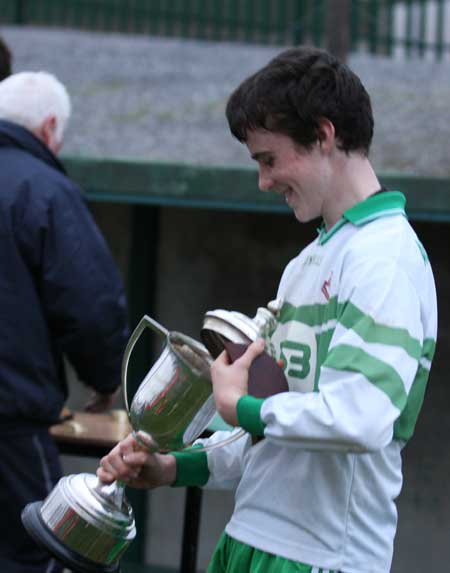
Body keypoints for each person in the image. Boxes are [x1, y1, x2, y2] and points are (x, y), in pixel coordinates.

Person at [97, 47, 437, 573]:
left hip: (323, 558)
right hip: (247, 541)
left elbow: (361, 418)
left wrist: (241, 407)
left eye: (269, 159)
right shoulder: (309, 262)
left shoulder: (384, 258)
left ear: (324, 135)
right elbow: (275, 436)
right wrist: (171, 467)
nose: (264, 181)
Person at [0, 71, 129, 573]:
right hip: (11, 421)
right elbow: (90, 304)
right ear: (50, 126)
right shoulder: (44, 190)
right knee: (37, 548)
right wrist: (104, 380)